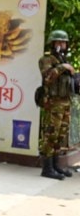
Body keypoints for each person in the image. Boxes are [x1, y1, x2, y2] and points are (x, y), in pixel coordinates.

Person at [38, 29, 75, 180]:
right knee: (50, 134)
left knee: (61, 135)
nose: (62, 44)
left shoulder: (63, 59)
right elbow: (48, 78)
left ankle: (56, 165)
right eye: (58, 42)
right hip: (53, 103)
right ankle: (47, 168)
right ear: (52, 43)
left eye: (63, 42)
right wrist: (63, 68)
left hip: (65, 101)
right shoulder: (47, 59)